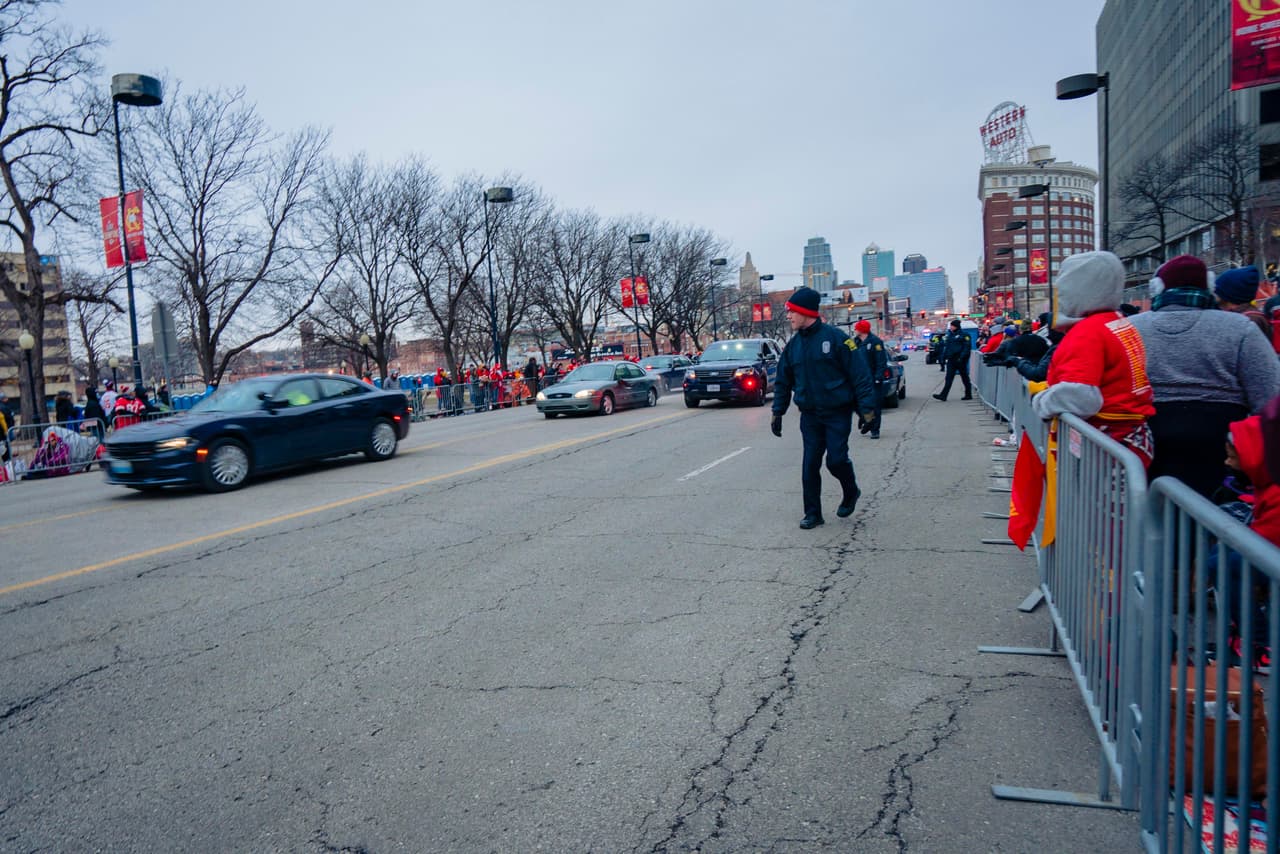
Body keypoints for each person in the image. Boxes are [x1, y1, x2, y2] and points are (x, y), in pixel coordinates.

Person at [1130, 254, 1280, 495]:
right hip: (1220, 450)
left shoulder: (1131, 329)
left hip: (1145, 445)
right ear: (1209, 288)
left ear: (1157, 288)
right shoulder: (1240, 328)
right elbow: (1269, 396)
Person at [1030, 251, 1156, 465]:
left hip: (1106, 443)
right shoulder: (1118, 322)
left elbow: (1082, 396)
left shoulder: (1088, 332)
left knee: (1104, 499)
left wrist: (1042, 401)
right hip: (1129, 438)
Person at [769, 287, 877, 529]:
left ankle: (851, 491)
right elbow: (783, 381)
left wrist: (867, 411)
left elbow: (860, 376)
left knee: (836, 461)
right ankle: (813, 513)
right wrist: (778, 412)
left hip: (837, 412)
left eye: (791, 312)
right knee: (809, 465)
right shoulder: (793, 346)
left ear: (805, 312)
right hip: (810, 415)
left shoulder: (837, 339)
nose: (788, 317)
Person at [852, 319, 887, 439]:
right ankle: (866, 420)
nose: (855, 330)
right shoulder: (854, 342)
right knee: (857, 403)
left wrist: (878, 377)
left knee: (874, 405)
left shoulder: (875, 342)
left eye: (856, 328)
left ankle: (874, 430)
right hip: (859, 379)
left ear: (861, 330)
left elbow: (881, 361)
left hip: (872, 378)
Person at [1214, 264, 1269, 338]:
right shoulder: (1237, 315)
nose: (1214, 292)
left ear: (1230, 293)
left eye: (1217, 289)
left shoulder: (1251, 321)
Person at [932, 319, 973, 401]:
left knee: (964, 377)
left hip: (960, 359)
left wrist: (962, 357)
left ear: (956, 326)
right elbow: (946, 347)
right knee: (948, 378)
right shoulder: (949, 335)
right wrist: (943, 357)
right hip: (951, 359)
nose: (950, 327)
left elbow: (967, 347)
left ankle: (968, 394)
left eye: (952, 326)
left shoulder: (964, 335)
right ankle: (943, 395)